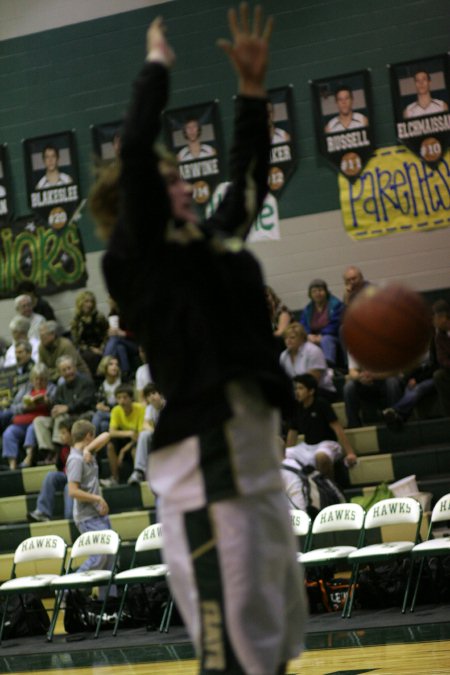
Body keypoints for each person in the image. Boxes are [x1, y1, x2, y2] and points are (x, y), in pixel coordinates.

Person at [90, 8, 306, 674]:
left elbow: (244, 178)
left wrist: (251, 94)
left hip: (253, 459)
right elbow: (135, 154)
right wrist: (156, 65)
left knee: (275, 643)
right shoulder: (135, 263)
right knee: (233, 652)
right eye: (169, 181)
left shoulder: (213, 243)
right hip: (206, 467)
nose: (183, 184)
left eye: (182, 177)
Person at [66, 420, 115, 597]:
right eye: (92, 436)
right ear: (88, 436)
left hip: (97, 514)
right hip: (87, 517)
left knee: (110, 558)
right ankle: (67, 591)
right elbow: (73, 491)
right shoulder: (75, 460)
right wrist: (97, 498)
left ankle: (108, 602)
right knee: (99, 557)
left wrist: (88, 449)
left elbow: (107, 435)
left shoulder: (87, 453)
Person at [285, 373, 357, 480]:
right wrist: (286, 452)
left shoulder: (322, 404)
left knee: (321, 457)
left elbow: (338, 429)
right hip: (307, 447)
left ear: (311, 391)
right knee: (283, 456)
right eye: (296, 389)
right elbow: (292, 433)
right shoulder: (297, 407)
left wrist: (350, 453)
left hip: (328, 444)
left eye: (301, 388)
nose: (297, 392)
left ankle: (329, 487)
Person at [33, 355, 96, 459]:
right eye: (64, 370)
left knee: (60, 418)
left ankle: (59, 453)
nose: (67, 372)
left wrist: (67, 408)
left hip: (82, 416)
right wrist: (52, 408)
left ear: (75, 368)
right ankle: (49, 451)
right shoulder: (61, 387)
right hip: (65, 418)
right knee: (39, 421)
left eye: (69, 368)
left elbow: (86, 402)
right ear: (60, 373)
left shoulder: (86, 382)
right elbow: (56, 404)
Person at [1, 363, 56, 470]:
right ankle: (12, 465)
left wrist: (47, 402)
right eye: (36, 379)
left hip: (39, 422)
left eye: (42, 379)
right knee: (9, 433)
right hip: (21, 423)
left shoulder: (52, 388)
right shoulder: (26, 388)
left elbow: (56, 404)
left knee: (32, 428)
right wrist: (25, 407)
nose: (39, 382)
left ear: (46, 379)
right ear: (32, 379)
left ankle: (28, 459)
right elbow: (13, 407)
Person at [27, 418, 74, 522]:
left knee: (68, 487)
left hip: (78, 480)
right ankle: (42, 512)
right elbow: (60, 466)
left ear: (72, 433)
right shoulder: (63, 448)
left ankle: (70, 519)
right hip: (67, 476)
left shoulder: (81, 447)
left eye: (63, 433)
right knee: (51, 476)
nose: (61, 436)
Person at [280, 322, 337, 400]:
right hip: (296, 391)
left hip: (320, 391)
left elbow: (312, 382)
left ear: (302, 339)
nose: (288, 341)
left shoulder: (313, 351)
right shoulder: (283, 356)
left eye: (292, 337)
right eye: (286, 338)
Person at [343, 352, 401, 428]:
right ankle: (354, 423)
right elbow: (352, 371)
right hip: (365, 381)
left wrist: (374, 375)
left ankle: (394, 417)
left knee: (392, 382)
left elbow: (393, 369)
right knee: (348, 387)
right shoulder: (355, 345)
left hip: (385, 378)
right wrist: (360, 377)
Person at [106, 383, 145, 485]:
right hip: (126, 437)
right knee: (110, 446)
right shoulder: (116, 410)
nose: (122, 401)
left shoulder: (140, 409)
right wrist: (129, 433)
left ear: (131, 398)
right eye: (119, 398)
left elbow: (140, 435)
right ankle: (115, 478)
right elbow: (112, 432)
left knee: (135, 450)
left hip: (136, 441)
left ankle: (139, 477)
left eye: (125, 397)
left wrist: (123, 450)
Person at [128, 382, 166, 485]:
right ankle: (139, 471)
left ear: (161, 394)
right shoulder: (150, 408)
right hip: (159, 436)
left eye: (154, 393)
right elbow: (145, 425)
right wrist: (154, 432)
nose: (152, 397)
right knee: (144, 435)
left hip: (173, 437)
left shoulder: (168, 405)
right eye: (148, 395)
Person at [300, 278, 344, 367]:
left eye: (320, 290)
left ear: (326, 291)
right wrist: (308, 335)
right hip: (314, 336)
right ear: (310, 294)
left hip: (332, 335)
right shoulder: (307, 309)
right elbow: (303, 325)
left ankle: (329, 367)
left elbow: (335, 323)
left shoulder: (336, 304)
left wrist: (322, 335)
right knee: (305, 342)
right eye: (314, 291)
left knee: (326, 340)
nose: (317, 293)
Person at [70, 290, 109, 377]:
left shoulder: (99, 317)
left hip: (101, 346)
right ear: (81, 303)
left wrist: (102, 348)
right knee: (88, 356)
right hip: (86, 348)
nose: (89, 304)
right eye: (86, 301)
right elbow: (76, 342)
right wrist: (90, 349)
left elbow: (107, 334)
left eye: (91, 301)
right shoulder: (76, 320)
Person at [92, 356, 122, 434]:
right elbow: (97, 401)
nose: (114, 367)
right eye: (111, 364)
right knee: (104, 425)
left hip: (120, 414)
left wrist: (108, 408)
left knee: (99, 414)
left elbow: (124, 403)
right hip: (107, 415)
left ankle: (91, 441)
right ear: (104, 367)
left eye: (116, 364)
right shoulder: (101, 384)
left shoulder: (123, 383)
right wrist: (98, 406)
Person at [432, 300, 450, 417]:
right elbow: (442, 359)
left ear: (443, 317)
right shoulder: (439, 336)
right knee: (438, 375)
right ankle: (448, 416)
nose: (433, 321)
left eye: (435, 318)